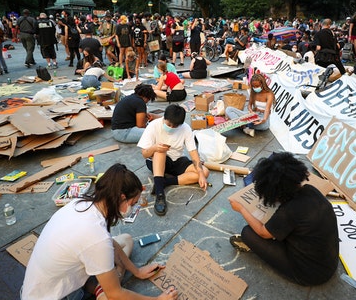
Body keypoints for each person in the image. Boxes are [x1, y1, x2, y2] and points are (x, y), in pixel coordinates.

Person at [21, 163, 179, 300]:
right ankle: (102, 288)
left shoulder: (82, 203)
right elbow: (115, 295)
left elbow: (109, 243)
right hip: (56, 296)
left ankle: (101, 285)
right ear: (121, 198)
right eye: (133, 202)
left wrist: (137, 271)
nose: (134, 207)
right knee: (111, 295)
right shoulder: (95, 237)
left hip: (48, 284)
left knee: (126, 239)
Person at [228, 151, 339, 286]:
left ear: (273, 192)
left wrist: (241, 208)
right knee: (276, 228)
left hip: (309, 274)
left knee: (248, 233)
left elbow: (263, 232)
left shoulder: (290, 211)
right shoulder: (311, 190)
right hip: (329, 263)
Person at [137, 104, 209, 216]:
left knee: (204, 172)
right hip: (156, 161)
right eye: (168, 124)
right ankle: (160, 194)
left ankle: (163, 182)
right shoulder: (153, 125)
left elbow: (193, 152)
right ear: (164, 118)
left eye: (175, 126)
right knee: (160, 152)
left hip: (176, 160)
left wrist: (200, 173)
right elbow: (144, 154)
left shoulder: (185, 128)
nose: (171, 128)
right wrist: (155, 147)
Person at [224, 73, 274, 137]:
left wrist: (263, 120)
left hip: (262, 118)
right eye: (254, 86)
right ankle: (244, 126)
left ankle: (242, 125)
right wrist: (251, 111)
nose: (255, 88)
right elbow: (249, 105)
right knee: (228, 109)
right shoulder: (253, 92)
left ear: (262, 84)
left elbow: (267, 109)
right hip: (252, 115)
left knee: (261, 126)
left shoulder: (269, 94)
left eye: (257, 86)